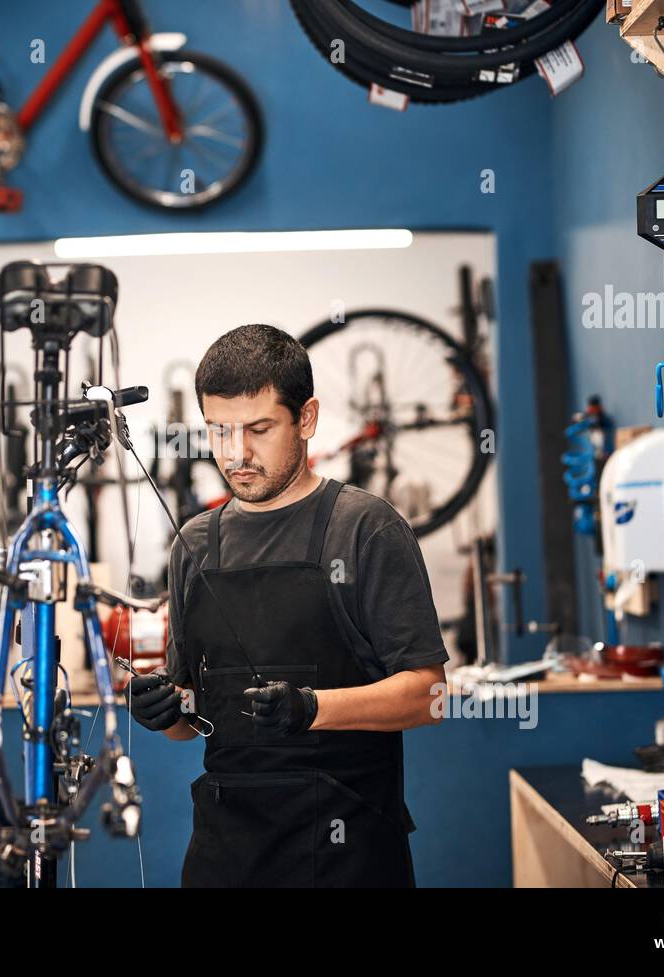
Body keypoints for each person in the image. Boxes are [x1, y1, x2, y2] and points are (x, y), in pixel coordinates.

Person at [129, 323, 450, 888]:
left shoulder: (365, 528)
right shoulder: (195, 545)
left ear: (306, 419)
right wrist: (164, 711)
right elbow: (190, 721)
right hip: (226, 855)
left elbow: (430, 697)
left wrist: (311, 708)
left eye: (258, 429)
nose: (236, 453)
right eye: (218, 431)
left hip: (345, 853)